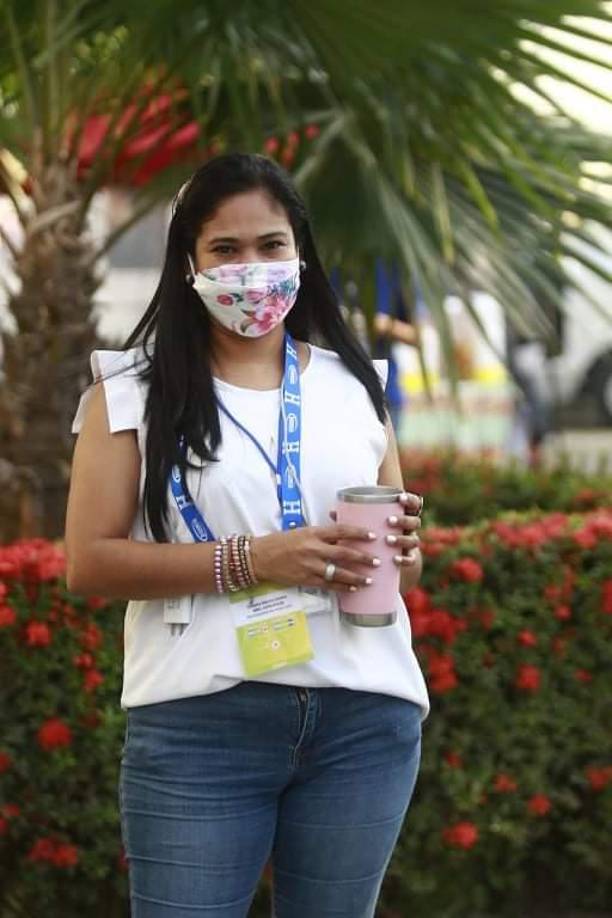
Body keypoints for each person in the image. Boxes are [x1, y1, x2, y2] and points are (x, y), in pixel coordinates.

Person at [65, 153, 429, 918]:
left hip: (364, 715)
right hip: (201, 725)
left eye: (270, 246)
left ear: (301, 253)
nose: (252, 270)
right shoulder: (128, 394)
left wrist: (404, 553)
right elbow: (89, 565)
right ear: (189, 265)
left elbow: (403, 560)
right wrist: (251, 561)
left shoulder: (355, 384)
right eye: (225, 250)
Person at [372, 260, 418, 435]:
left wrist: (382, 325)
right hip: (339, 393)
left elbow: (417, 335)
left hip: (386, 397)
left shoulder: (392, 269)